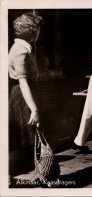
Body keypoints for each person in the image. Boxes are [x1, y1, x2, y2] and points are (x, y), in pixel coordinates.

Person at [8, 12, 43, 177]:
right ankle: (35, 173)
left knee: (29, 135)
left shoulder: (22, 48)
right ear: (33, 31)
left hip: (26, 94)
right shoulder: (21, 51)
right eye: (38, 30)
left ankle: (34, 172)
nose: (39, 33)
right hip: (23, 96)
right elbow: (23, 81)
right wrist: (34, 109)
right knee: (28, 134)